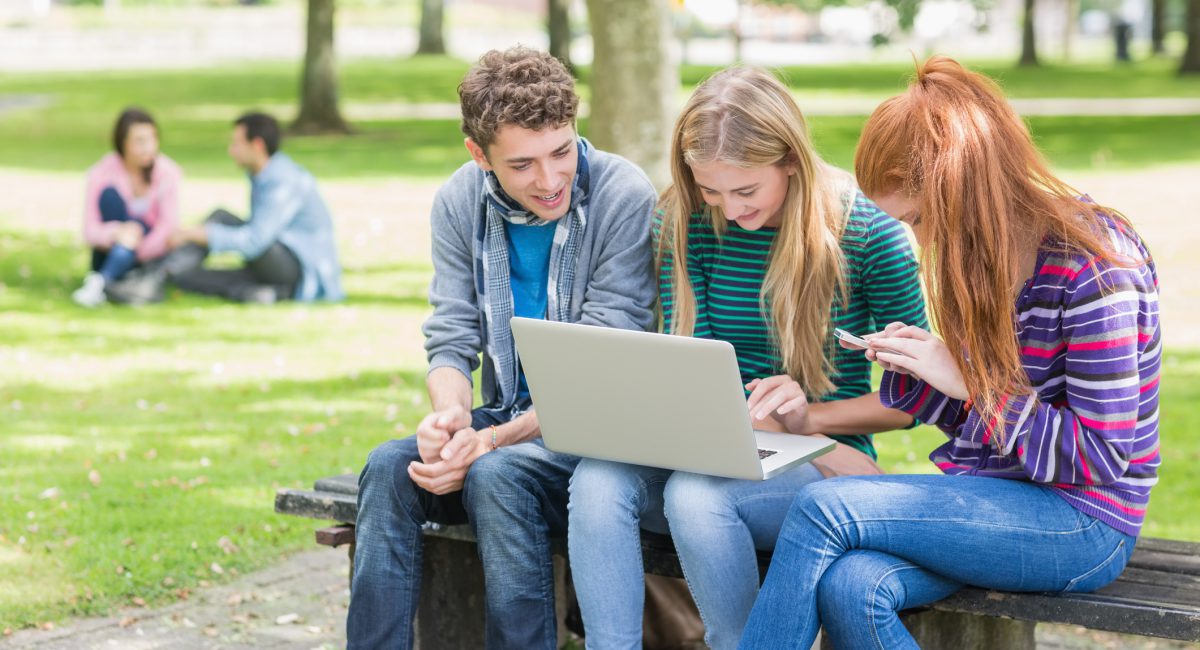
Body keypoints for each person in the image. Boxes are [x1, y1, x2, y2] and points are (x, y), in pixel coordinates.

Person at [739, 56, 1161, 650]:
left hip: (1085, 521)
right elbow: (988, 422)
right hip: (1002, 497)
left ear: (959, 185)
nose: (921, 239)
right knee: (852, 586)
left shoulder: (1095, 268)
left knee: (823, 507)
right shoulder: (982, 258)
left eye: (917, 218)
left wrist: (973, 383)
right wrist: (927, 371)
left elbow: (1097, 458)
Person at [566, 66, 928, 650]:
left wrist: (810, 425)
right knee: (598, 480)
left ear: (791, 160)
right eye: (711, 189)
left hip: (813, 462)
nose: (729, 210)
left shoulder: (866, 231)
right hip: (701, 448)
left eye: (746, 191)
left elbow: (912, 400)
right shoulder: (683, 220)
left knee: (696, 497)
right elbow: (697, 369)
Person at [346, 47, 657, 649]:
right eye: (522, 164)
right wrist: (452, 417)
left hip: (595, 443)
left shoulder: (623, 196)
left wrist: (486, 442)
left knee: (495, 475)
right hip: (509, 423)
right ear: (479, 155)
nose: (549, 180)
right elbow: (452, 333)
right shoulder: (459, 201)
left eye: (562, 152)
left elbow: (598, 374)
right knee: (389, 467)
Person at [166, 112, 342, 304]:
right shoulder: (262, 174)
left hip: (301, 271)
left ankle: (164, 272)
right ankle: (175, 273)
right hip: (279, 259)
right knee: (194, 278)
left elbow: (254, 241)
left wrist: (199, 234)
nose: (231, 151)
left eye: (236, 144)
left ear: (257, 145)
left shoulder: (282, 180)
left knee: (221, 218)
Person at [73, 107, 182, 307]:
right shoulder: (100, 173)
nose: (148, 147)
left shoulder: (168, 173)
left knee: (137, 227)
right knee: (110, 197)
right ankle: (106, 281)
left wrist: (133, 246)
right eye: (140, 141)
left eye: (152, 139)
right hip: (109, 249)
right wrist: (117, 233)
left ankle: (101, 283)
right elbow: (90, 230)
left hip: (149, 252)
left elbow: (168, 227)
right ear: (123, 143)